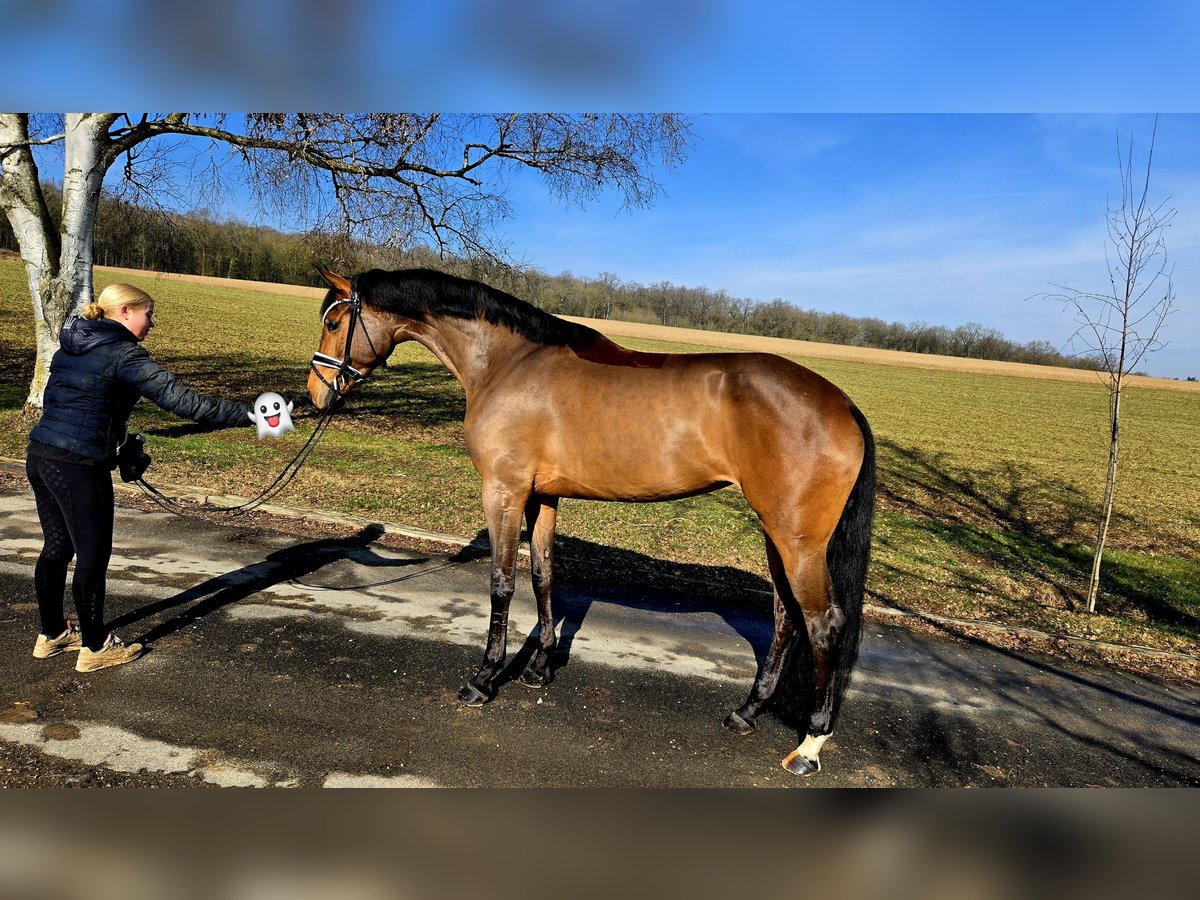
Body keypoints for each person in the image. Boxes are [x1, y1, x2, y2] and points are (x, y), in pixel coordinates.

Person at [26, 282, 253, 672]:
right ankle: (96, 648)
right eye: (149, 314)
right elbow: (187, 404)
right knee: (92, 557)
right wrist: (256, 414)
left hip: (42, 454)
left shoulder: (73, 343)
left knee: (58, 547)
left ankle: (53, 635)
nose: (152, 323)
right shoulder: (124, 355)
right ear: (126, 312)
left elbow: (71, 403)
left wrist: (120, 442)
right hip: (79, 466)